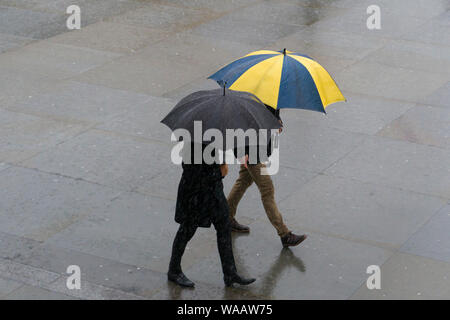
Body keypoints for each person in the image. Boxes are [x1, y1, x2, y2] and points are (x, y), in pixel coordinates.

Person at [168, 142, 256, 288]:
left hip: (214, 191)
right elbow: (191, 169)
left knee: (224, 226)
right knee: (187, 230)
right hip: (195, 192)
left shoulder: (213, 135)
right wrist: (219, 171)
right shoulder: (194, 139)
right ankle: (174, 270)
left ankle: (230, 273)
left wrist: (224, 161)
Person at [227, 106, 307, 247]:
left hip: (258, 150)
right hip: (251, 153)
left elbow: (271, 118)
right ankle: (284, 234)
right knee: (267, 190)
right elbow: (237, 125)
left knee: (243, 182)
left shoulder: (273, 96)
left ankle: (226, 217)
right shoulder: (251, 99)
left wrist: (278, 122)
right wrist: (241, 152)